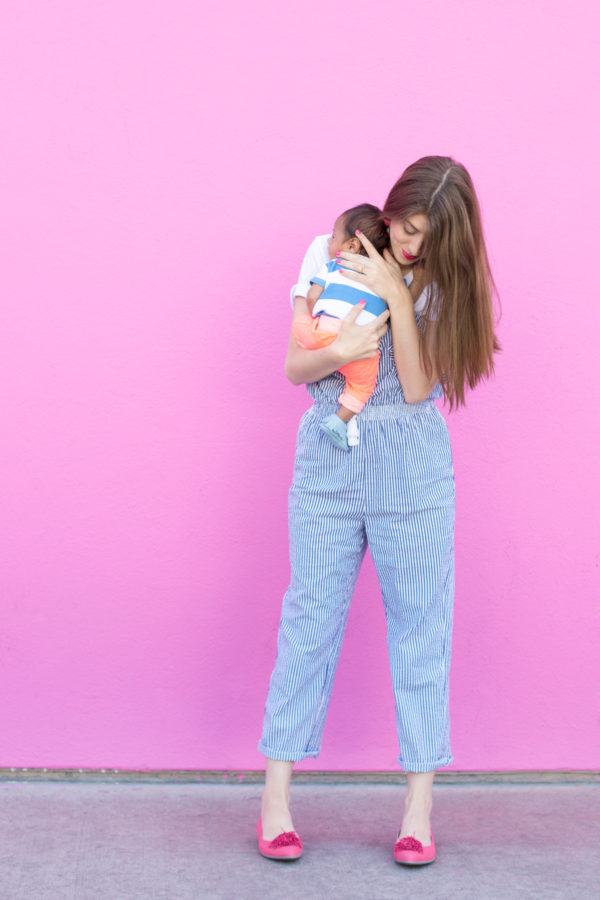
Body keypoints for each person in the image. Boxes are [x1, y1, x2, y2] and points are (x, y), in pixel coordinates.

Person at [257, 156, 499, 866]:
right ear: (389, 208)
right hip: (329, 463)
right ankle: (275, 799)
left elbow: (420, 387)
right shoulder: (337, 253)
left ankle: (418, 808)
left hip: (413, 478)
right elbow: (295, 370)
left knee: (422, 630)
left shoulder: (443, 288)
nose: (410, 242)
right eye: (406, 225)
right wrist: (341, 346)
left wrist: (397, 293)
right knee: (309, 618)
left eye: (427, 236)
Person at [292, 203, 389, 451]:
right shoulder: (385, 277)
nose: (328, 242)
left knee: (304, 329)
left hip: (322, 335)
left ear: (352, 245)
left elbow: (312, 298)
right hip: (363, 352)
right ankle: (339, 420)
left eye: (334, 236)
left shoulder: (331, 266)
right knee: (363, 387)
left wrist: (312, 317)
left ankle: (306, 335)